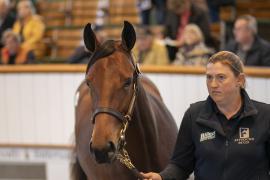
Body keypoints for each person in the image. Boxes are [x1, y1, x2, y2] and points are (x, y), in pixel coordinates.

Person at [141, 51, 270, 180]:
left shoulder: (265, 115)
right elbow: (180, 165)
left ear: (239, 80)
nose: (213, 84)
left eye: (221, 77)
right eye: (209, 77)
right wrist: (161, 177)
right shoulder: (194, 115)